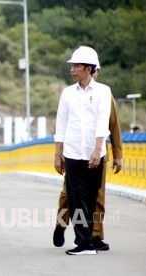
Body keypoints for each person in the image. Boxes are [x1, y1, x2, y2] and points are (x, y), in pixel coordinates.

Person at [53, 64, 123, 251]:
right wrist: (59, 153)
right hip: (75, 153)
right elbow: (61, 123)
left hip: (98, 154)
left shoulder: (104, 94)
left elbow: (113, 126)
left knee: (97, 199)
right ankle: (61, 224)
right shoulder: (71, 94)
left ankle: (95, 235)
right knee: (68, 195)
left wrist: (118, 154)